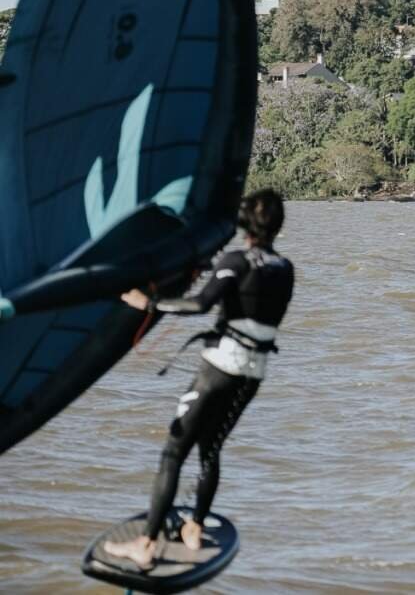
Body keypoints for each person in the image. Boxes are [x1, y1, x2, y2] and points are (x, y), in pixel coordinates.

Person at [104, 190, 295, 569]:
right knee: (210, 450)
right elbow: (249, 287)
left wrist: (150, 304)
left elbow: (201, 304)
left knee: (174, 452)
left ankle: (145, 545)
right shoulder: (285, 267)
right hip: (253, 374)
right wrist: (215, 267)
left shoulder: (236, 260)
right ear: (277, 226)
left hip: (220, 370)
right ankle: (193, 527)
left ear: (244, 224)